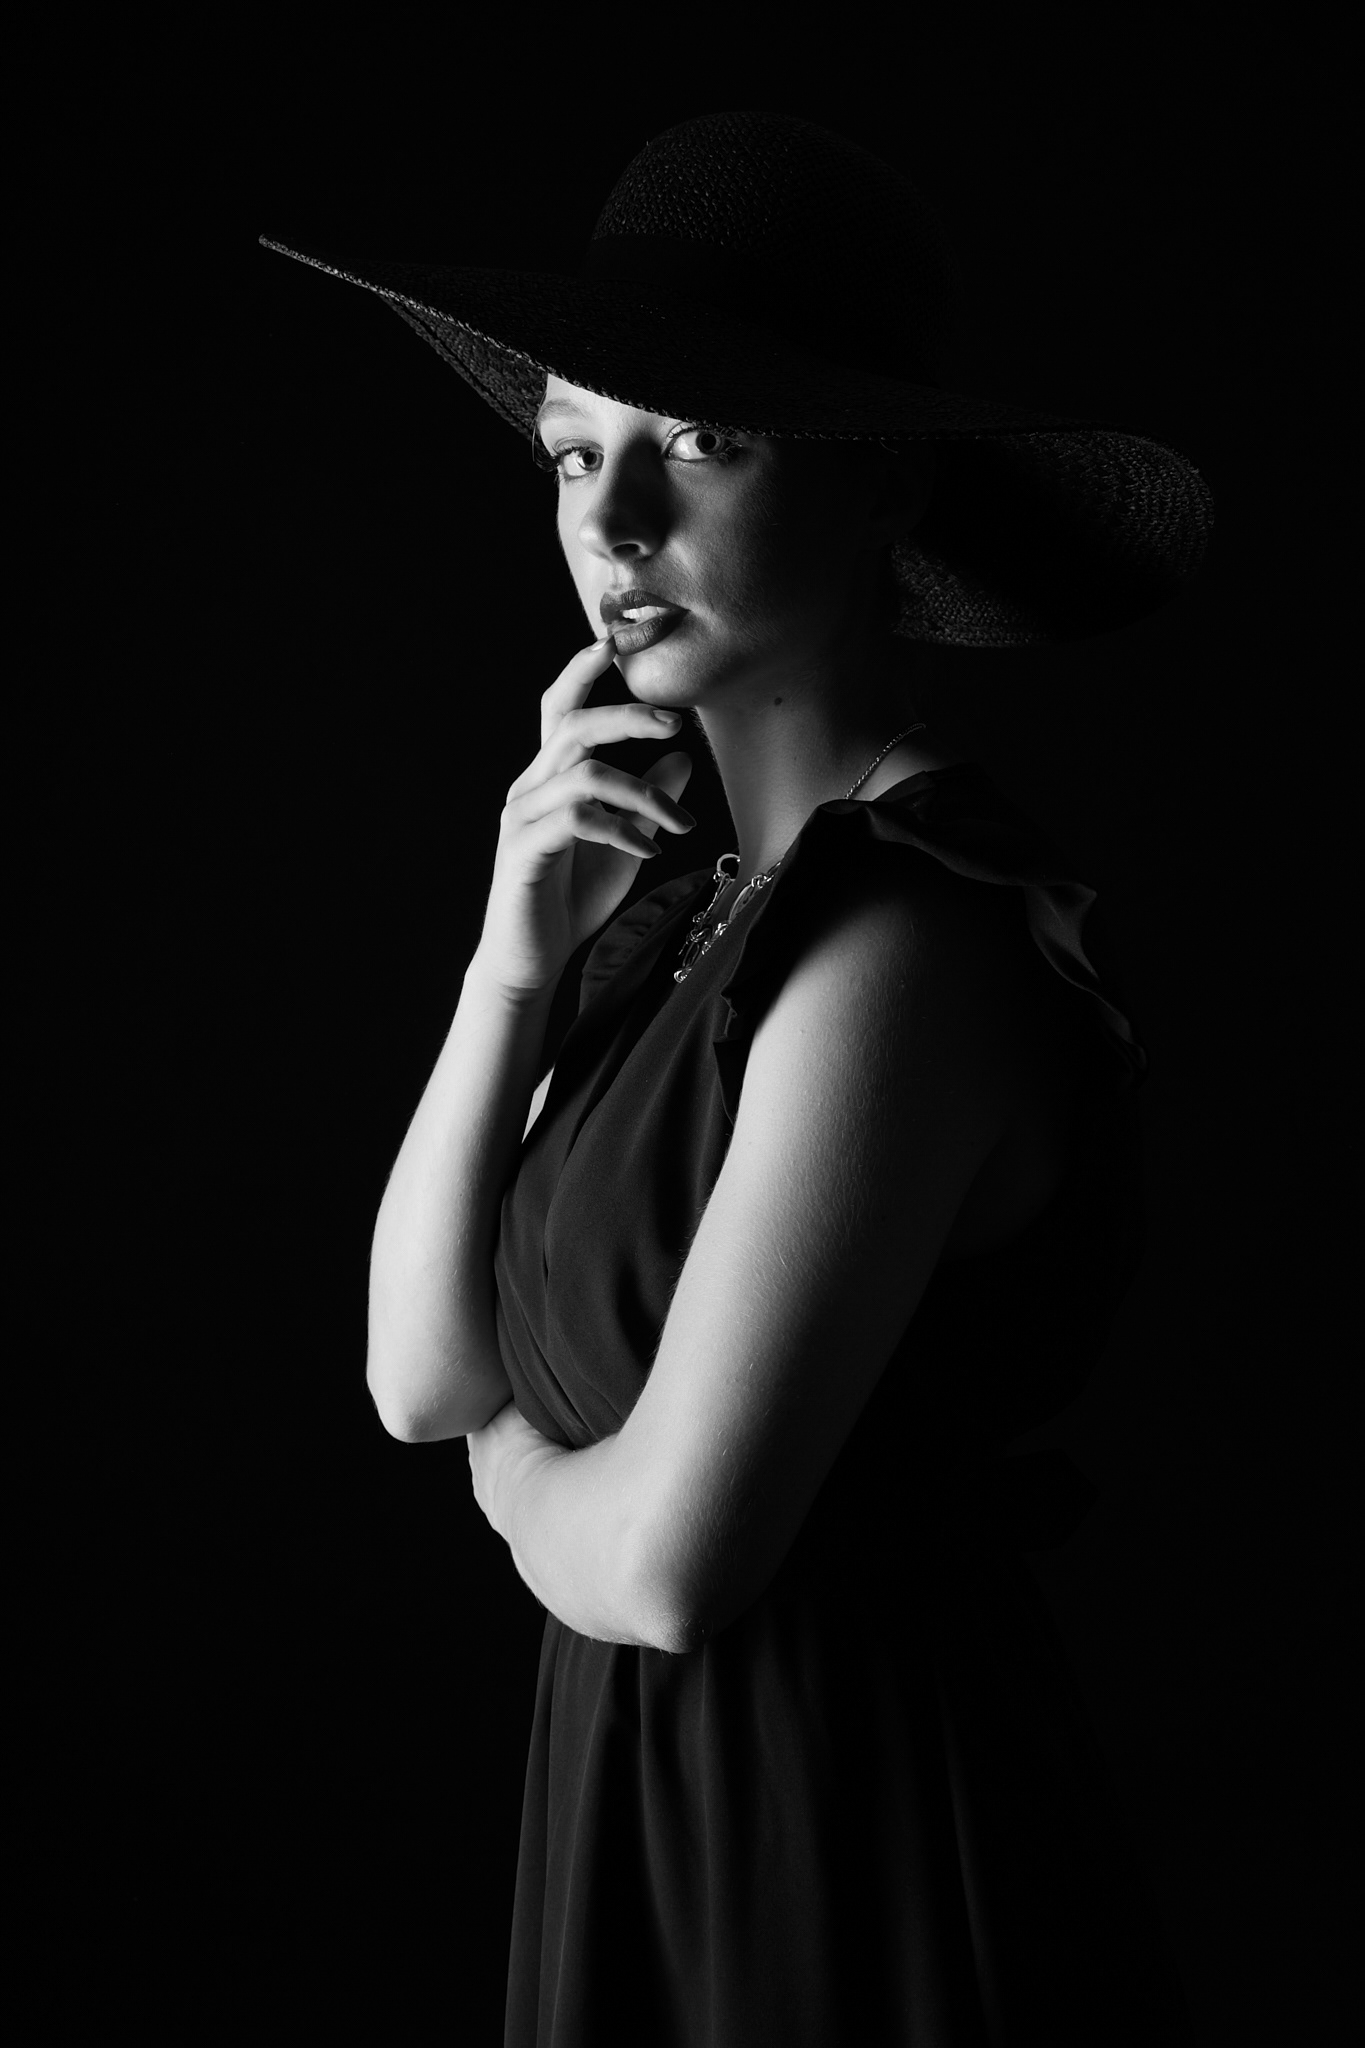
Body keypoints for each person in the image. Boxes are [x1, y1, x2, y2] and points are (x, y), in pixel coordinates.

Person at [262, 110, 1211, 2046]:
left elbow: (668, 1566)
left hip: (832, 1832)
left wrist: (517, 1472)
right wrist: (513, 960)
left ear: (877, 489)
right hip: (645, 1793)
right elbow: (416, 1375)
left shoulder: (901, 943)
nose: (611, 525)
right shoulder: (687, 906)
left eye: (697, 443)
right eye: (572, 452)